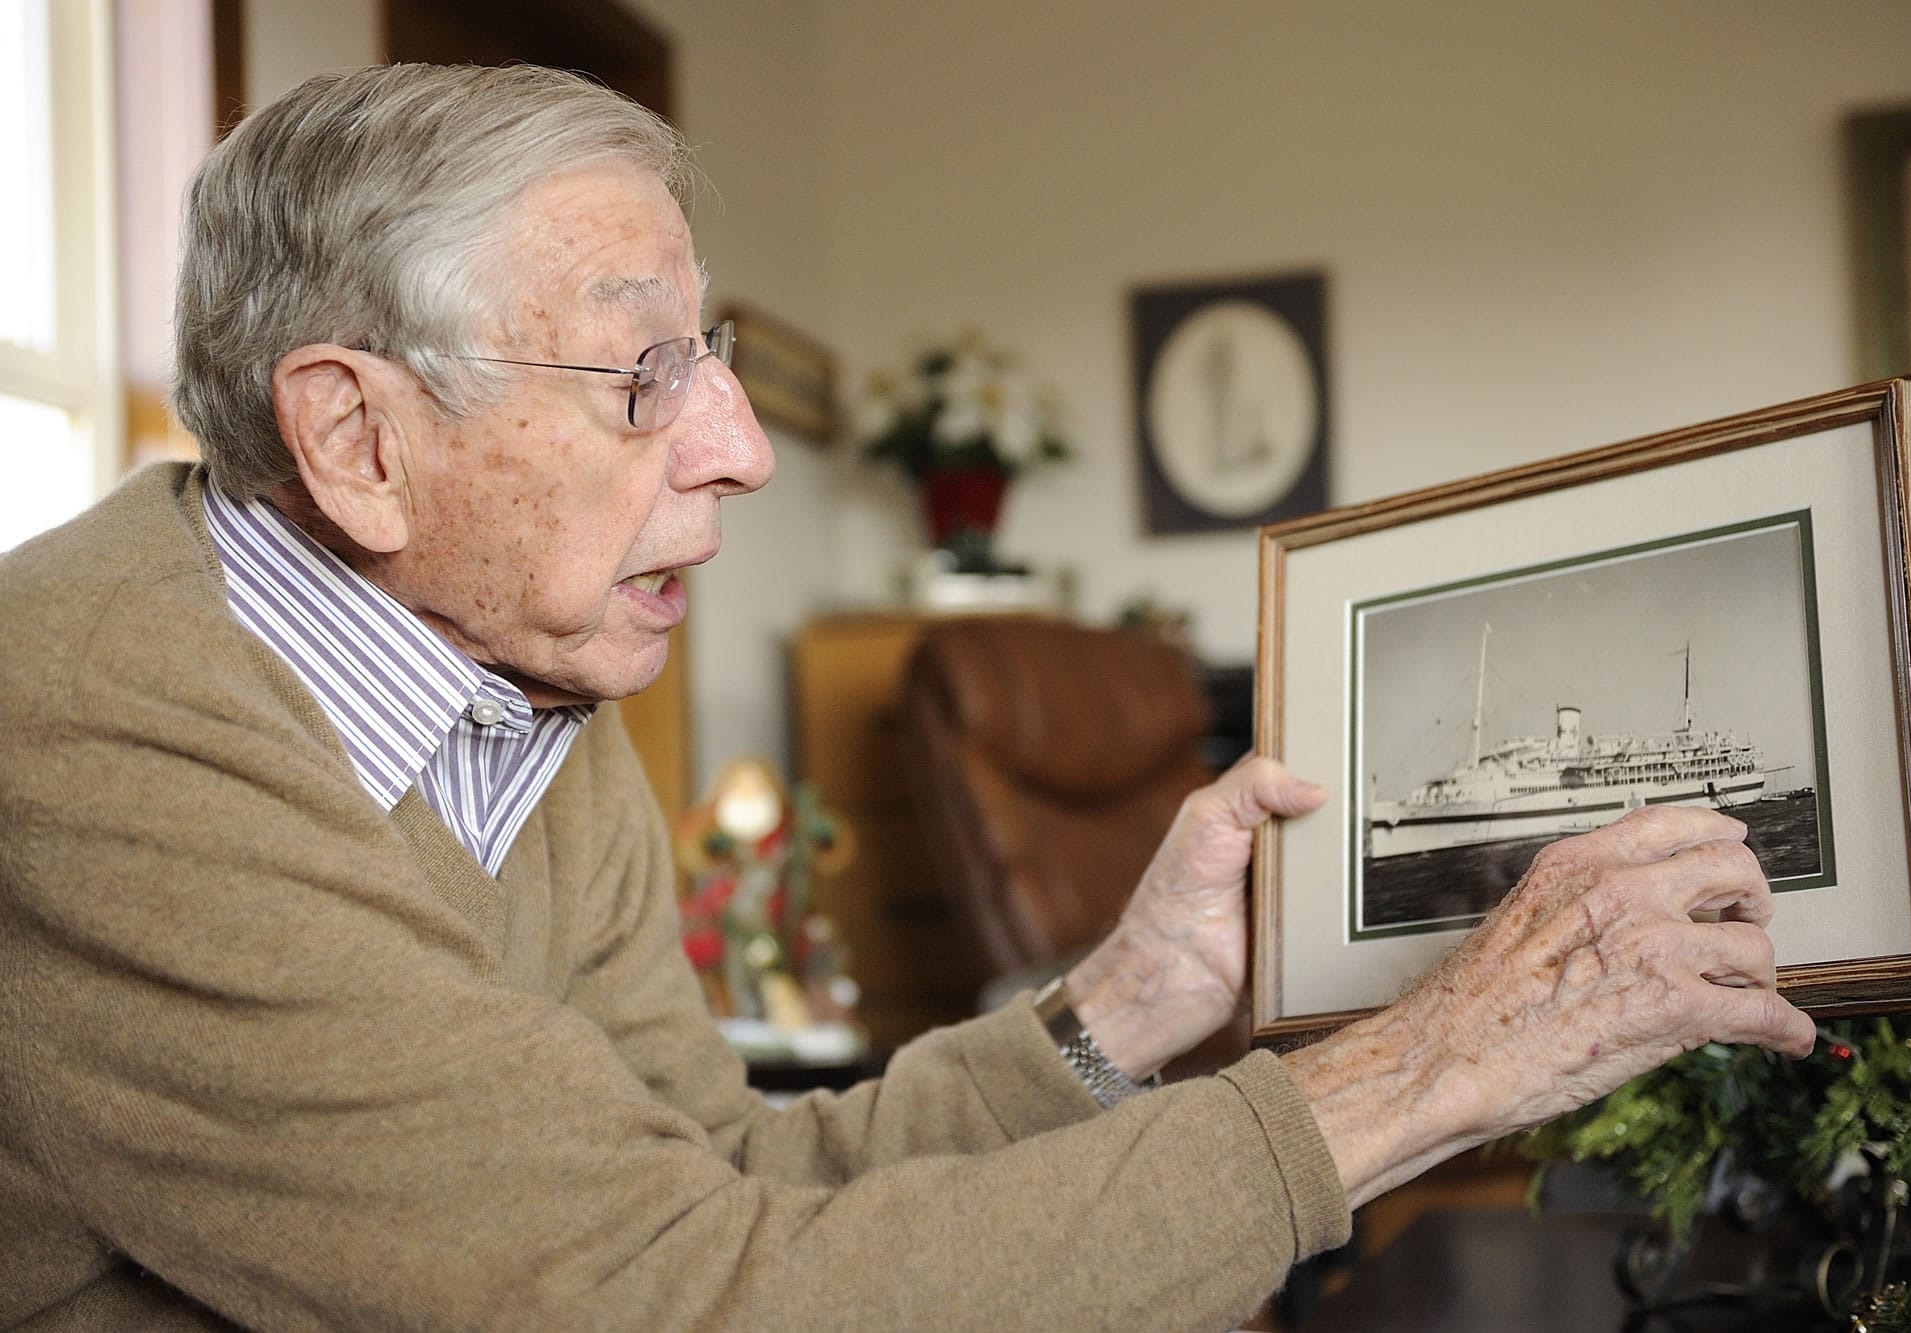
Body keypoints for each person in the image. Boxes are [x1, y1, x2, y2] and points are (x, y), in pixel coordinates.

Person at [0, 63, 1814, 1331]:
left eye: (708, 355)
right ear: (357, 438)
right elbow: (676, 1304)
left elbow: (715, 1182)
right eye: (647, 370)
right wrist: (1426, 1068)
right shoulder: (91, 732)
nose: (743, 445)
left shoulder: (513, 682)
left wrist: (1119, 1007)